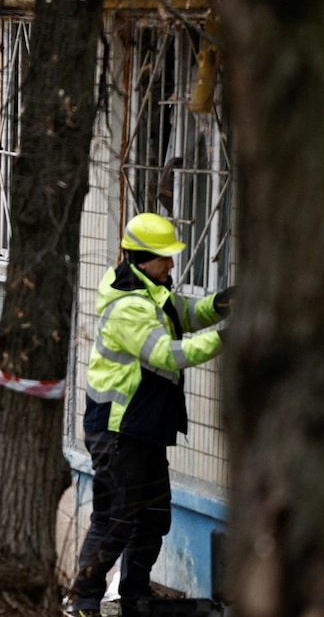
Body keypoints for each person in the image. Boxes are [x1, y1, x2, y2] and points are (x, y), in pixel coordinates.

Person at [69, 213, 231, 617]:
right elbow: (167, 354)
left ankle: (136, 598)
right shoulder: (128, 306)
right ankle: (84, 602)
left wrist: (223, 303)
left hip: (144, 427)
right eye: (165, 257)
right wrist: (226, 338)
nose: (172, 264)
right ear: (143, 259)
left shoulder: (153, 292)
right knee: (115, 520)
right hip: (118, 429)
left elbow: (189, 314)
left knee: (153, 517)